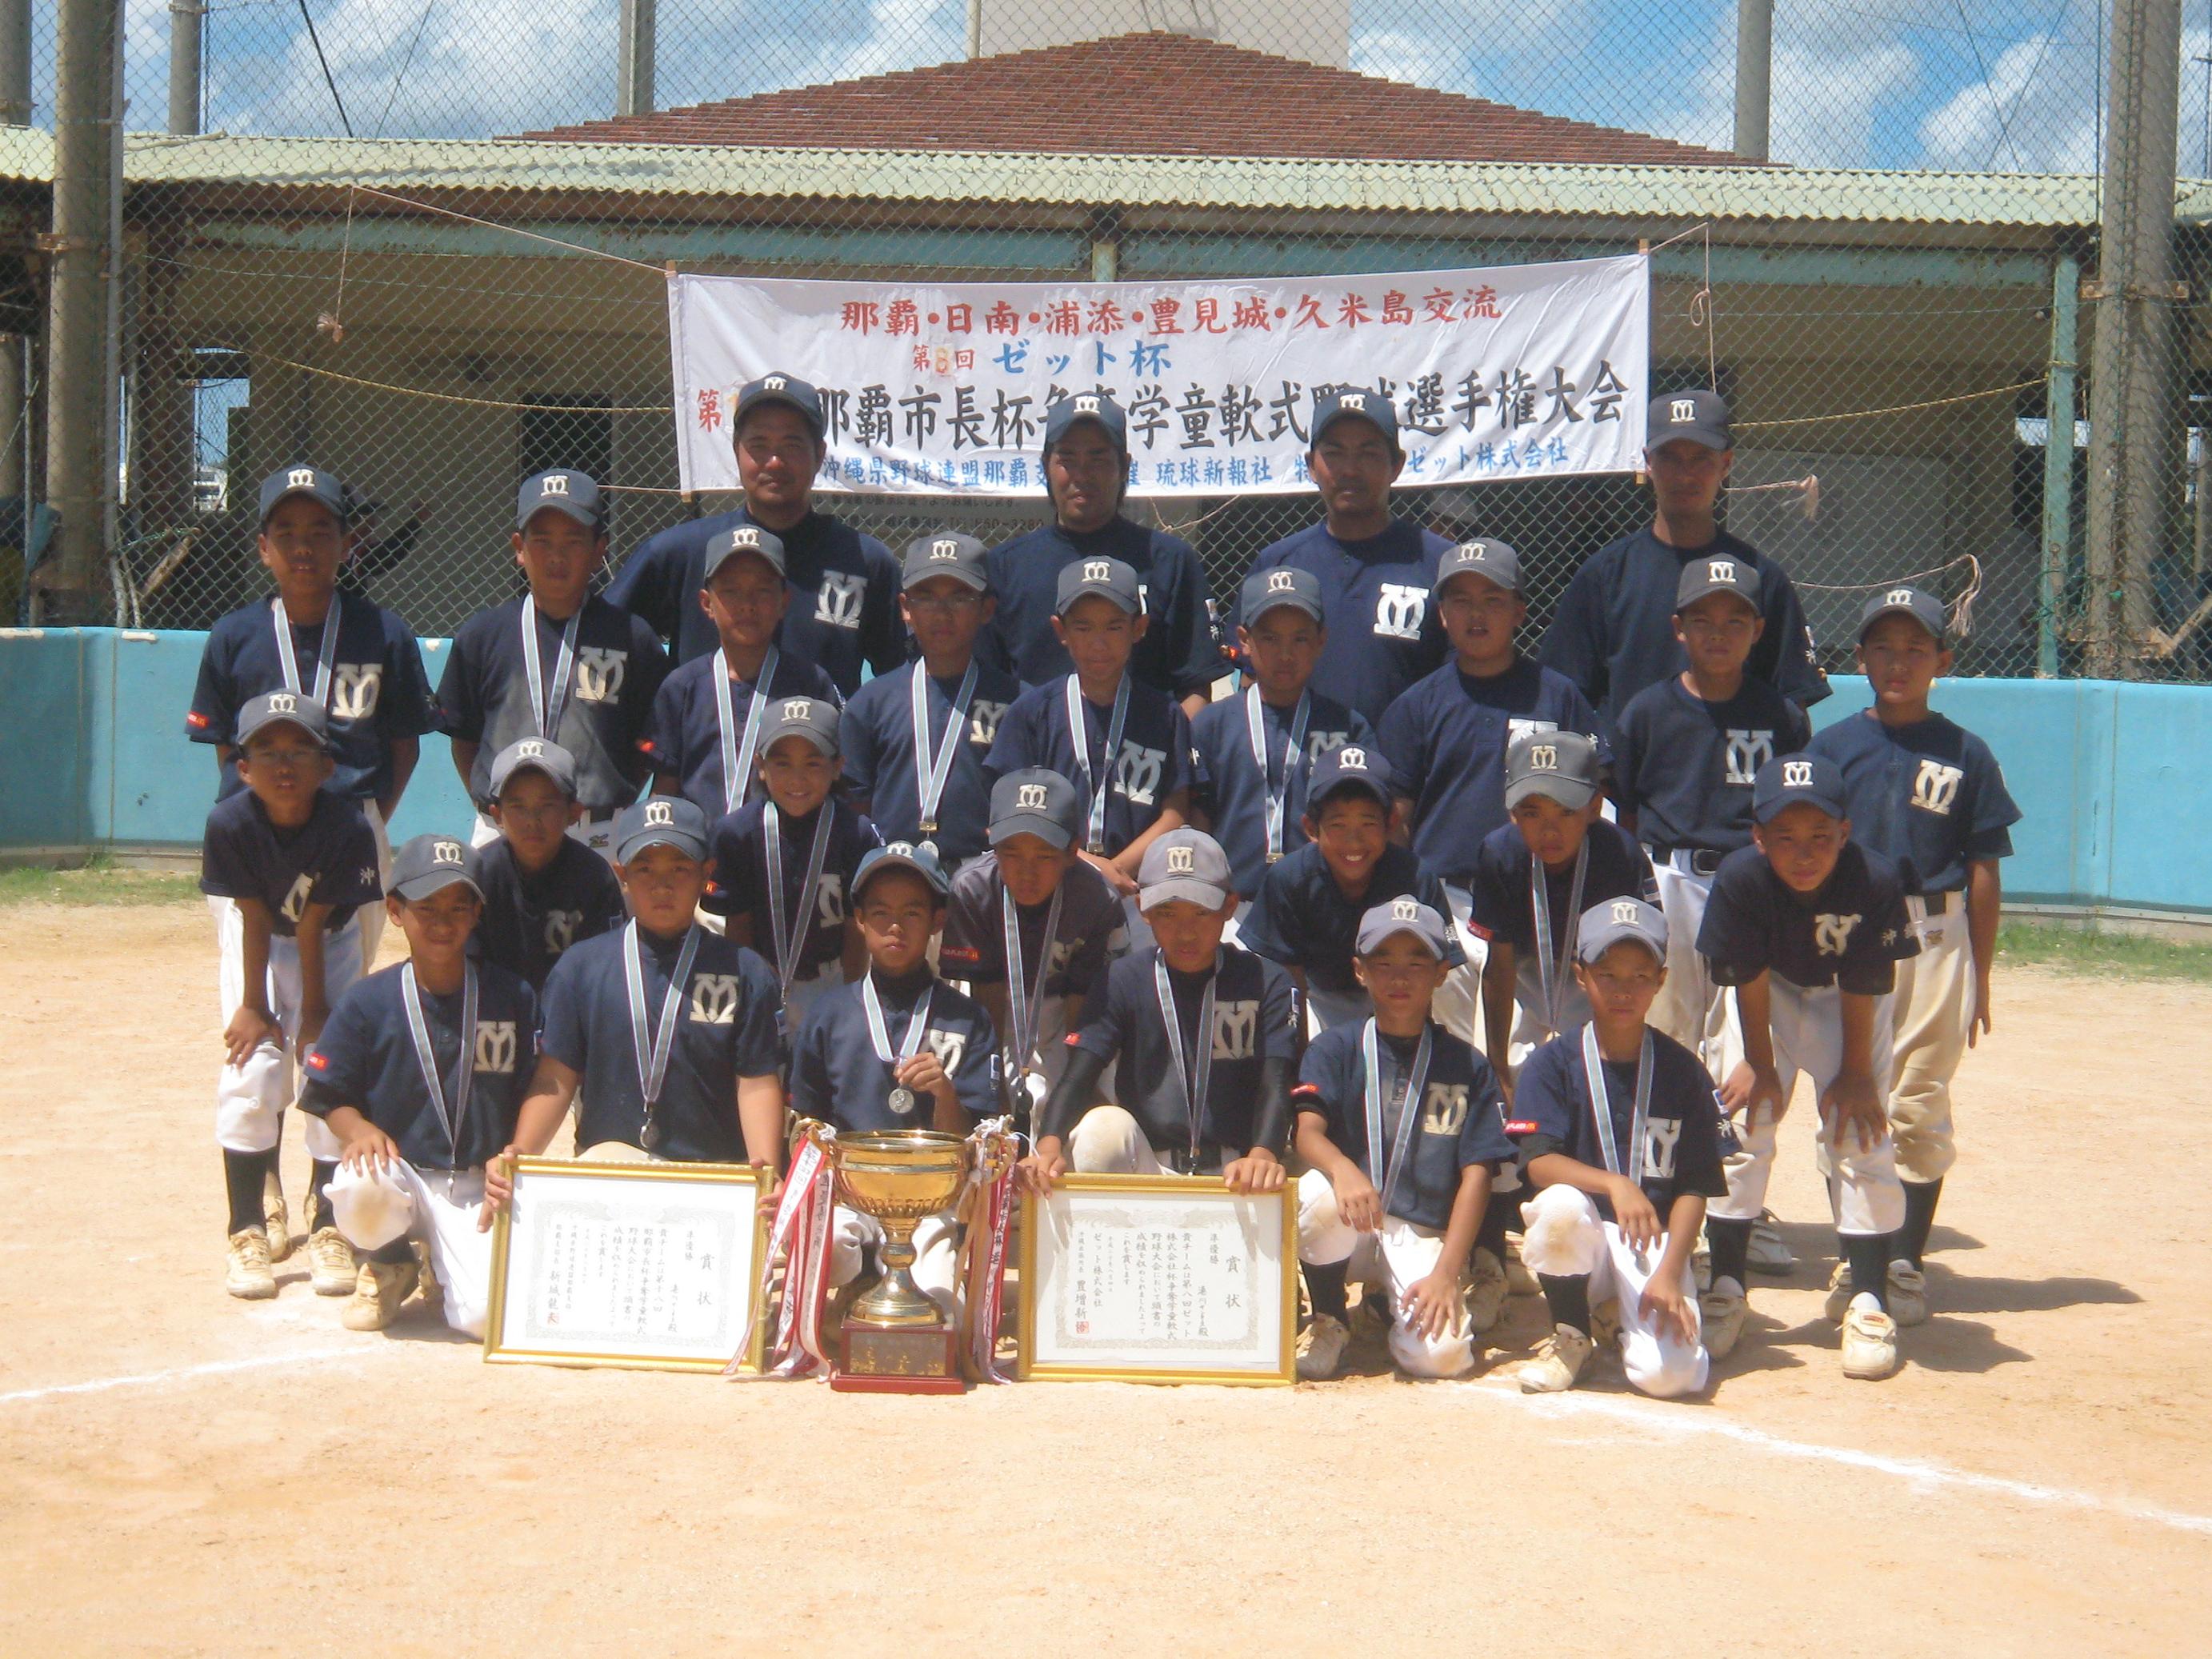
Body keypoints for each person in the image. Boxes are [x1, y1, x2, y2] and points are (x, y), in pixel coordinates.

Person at [1807, 586, 2021, 1312]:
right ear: (1860, 657)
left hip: (1934, 936)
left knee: (1918, 1101)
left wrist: (1979, 977)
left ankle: (1903, 1260)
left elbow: (1983, 868)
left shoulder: (1965, 752)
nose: (1898, 663)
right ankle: (1853, 1255)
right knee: (1844, 1099)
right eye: (1883, 648)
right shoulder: (1831, 749)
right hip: (1849, 934)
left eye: (1915, 649)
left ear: (1942, 659)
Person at [1697, 754, 1917, 1381]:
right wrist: (1761, 1065)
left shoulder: (1872, 879)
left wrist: (1853, 1074)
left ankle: (1868, 1299)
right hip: (1765, 996)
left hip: (1847, 1004)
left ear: (1844, 833)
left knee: (1860, 1130)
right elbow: (1745, 975)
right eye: (1784, 838)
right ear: (1757, 837)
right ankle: (1727, 1287)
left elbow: (1866, 979)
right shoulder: (1741, 879)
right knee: (1742, 1128)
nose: (1803, 853)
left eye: (1820, 836)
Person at [188, 465, 433, 967]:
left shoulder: (384, 633)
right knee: (254, 976)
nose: (303, 548)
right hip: (259, 824)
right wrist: (261, 805)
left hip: (352, 816)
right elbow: (227, 744)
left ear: (347, 544)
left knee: (344, 982)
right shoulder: (234, 636)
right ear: (263, 547)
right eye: (286, 534)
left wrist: (369, 820)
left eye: (321, 533)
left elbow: (404, 743)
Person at [483, 798, 786, 1200]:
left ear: (706, 874)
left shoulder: (745, 971)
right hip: (612, 1170)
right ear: (622, 875)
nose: (663, 885)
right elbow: (555, 1078)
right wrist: (519, 1156)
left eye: (680, 869)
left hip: (713, 1178)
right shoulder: (581, 968)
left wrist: (766, 1176)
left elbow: (755, 1083)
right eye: (645, 869)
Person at [298, 833, 539, 1335]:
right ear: (394, 910)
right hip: (399, 1174)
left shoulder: (510, 995)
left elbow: (534, 1088)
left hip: (477, 1183)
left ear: (477, 913)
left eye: (458, 907)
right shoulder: (368, 1000)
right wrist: (357, 1128)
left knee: (482, 1318)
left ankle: (441, 1267)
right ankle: (389, 1260)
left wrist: (515, 1149)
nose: (443, 922)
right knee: (359, 1181)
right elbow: (326, 1093)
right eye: (426, 908)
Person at [1378, 538, 1604, 1045]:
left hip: (1540, 901)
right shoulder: (1418, 704)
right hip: (1450, 899)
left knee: (1536, 1054)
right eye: (1460, 600)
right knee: (1452, 1049)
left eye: (1493, 600)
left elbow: (1593, 797)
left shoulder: (1557, 694)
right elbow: (1397, 818)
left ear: (1520, 610)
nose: (1475, 614)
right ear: (1441, 614)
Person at [198, 692, 381, 1301]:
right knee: (251, 1070)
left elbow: (314, 922)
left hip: (328, 942)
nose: (284, 765)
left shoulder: (347, 823)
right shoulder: (229, 821)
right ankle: (246, 1227)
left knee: (328, 1067)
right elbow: (253, 917)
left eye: (300, 750)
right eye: (266, 752)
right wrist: (254, 1006)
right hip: (258, 943)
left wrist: (318, 1013)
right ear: (241, 767)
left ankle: (328, 1223)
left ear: (327, 767)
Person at [1508, 897, 1727, 1398]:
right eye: (1608, 974)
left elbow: (1697, 1183)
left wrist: (1672, 1272)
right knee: (1559, 1206)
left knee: (1672, 1379)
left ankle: (1619, 1319)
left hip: (1651, 1243)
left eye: (1640, 976)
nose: (1624, 991)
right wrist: (1615, 1182)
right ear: (1582, 976)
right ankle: (1571, 1332)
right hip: (1583, 1232)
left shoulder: (1682, 1070)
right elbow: (1539, 1163)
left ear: (1662, 979)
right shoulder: (1552, 1062)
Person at [1291, 897, 1514, 1381]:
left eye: (1416, 963)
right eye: (1383, 963)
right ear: (1359, 971)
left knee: (1442, 1358)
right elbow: (1307, 1132)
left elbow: (1478, 1173)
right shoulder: (1335, 1046)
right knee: (1315, 1197)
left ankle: (1385, 1311)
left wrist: (1446, 1272)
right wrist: (1344, 1168)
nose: (1399, 977)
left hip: (1419, 1230)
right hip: (1350, 1218)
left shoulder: (1467, 1064)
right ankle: (1330, 1317)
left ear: (1440, 974)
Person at [1610, 556, 1810, 1086]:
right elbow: (1626, 808)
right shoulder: (1647, 712)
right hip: (1667, 879)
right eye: (1702, 620)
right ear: (1678, 628)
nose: (1718, 634)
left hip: (1749, 881)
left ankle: (1736, 1157)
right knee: (1663, 1024)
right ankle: (1659, 1157)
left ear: (1758, 631)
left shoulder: (1781, 718)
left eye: (1735, 622)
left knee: (1743, 1037)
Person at [1540, 390, 1828, 737]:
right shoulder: (1605, 575)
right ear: (1647, 462)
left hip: (1734, 781)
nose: (1685, 474)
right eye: (1670, 457)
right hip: (1629, 780)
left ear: (1726, 464)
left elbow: (1791, 707)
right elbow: (1565, 695)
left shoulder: (1761, 577)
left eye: (1701, 458)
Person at [788, 842, 1002, 1309]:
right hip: (849, 1198)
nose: (896, 926)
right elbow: (808, 1124)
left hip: (931, 1206)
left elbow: (977, 1148)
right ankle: (860, 1274)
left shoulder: (967, 1019)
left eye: (912, 912)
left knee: (944, 1315)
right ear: (859, 920)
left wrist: (944, 1092)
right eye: (881, 912)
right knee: (817, 1248)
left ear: (937, 921)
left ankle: (874, 1284)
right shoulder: (829, 1014)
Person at [1021, 830, 1296, 1189]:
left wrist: (1264, 1154)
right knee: (1101, 1129)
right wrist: (1049, 1145)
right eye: (1167, 913)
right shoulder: (1123, 977)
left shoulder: (1267, 980)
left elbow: (1276, 1081)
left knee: (1326, 1209)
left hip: (1240, 1174)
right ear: (1143, 911)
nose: (1185, 932)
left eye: (1200, 912)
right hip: (1149, 1170)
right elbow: (1079, 1074)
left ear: (1230, 906)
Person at [606, 372, 906, 694]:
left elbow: (903, 676)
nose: (775, 462)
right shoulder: (679, 553)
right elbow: (603, 635)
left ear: (819, 455)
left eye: (791, 446)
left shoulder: (864, 562)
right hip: (709, 743)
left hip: (818, 744)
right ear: (737, 451)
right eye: (759, 446)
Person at [437, 470, 668, 858]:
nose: (557, 556)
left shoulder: (632, 638)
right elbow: (466, 738)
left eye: (574, 541)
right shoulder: (483, 634)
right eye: (542, 541)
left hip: (597, 834)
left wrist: (614, 804)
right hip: (502, 831)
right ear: (519, 548)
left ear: (600, 550)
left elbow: (650, 744)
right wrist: (501, 806)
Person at [981, 392, 1220, 716]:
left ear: (1125, 467)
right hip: (1036, 759)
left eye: (1098, 458)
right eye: (1067, 459)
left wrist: (1168, 755)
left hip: (1143, 758)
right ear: (1045, 467)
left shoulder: (1169, 561)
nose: (1082, 475)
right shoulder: (1006, 566)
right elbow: (988, 686)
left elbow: (1195, 687)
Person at [1232, 389, 1452, 726]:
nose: (1350, 470)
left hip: (1404, 771)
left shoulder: (1439, 564)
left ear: (1397, 465)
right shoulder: (1277, 564)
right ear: (1311, 466)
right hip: (1297, 771)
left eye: (1368, 453)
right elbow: (1249, 679)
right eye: (1334, 453)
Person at [984, 556, 1193, 899]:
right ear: (1060, 630)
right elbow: (1005, 813)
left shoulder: (1164, 713)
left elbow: (1175, 812)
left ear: (1138, 628)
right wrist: (1092, 868)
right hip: (1051, 883)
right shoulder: (1032, 712)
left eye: (1114, 627)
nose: (1099, 643)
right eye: (1083, 627)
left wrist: (1118, 871)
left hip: (1136, 887)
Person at [1469, 730, 1658, 1088]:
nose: (1549, 830)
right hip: (1523, 970)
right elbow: (1500, 963)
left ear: (1594, 807)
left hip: (1596, 974)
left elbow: (1632, 962)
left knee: (1598, 1075)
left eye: (1567, 811)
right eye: (1532, 812)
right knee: (1508, 1078)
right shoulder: (1500, 854)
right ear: (1512, 814)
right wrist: (1498, 1069)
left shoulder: (1620, 854)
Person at [938, 769, 1126, 1117]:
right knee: (987, 1106)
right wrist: (995, 1086)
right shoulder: (972, 889)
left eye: (1044, 856)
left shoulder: (1097, 898)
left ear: (1072, 851)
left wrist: (1077, 1085)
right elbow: (986, 995)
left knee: (1086, 1115)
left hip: (1065, 1014)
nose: (1027, 872)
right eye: (1012, 853)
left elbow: (1082, 1006)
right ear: (992, 843)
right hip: (994, 1011)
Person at [1238, 746, 1458, 1033]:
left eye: (1368, 823)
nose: (1354, 841)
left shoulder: (1415, 876)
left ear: (1390, 822)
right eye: (1338, 825)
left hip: (1396, 995)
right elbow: (1288, 985)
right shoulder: (1289, 879)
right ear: (1311, 829)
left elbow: (1432, 971)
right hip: (1315, 1000)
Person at [1190, 565, 1375, 902]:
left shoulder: (1348, 727)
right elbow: (1197, 817)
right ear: (1244, 640)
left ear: (1321, 641)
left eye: (1300, 639)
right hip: (1229, 904)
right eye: (1270, 638)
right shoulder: (1212, 725)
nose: (1285, 654)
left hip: (1321, 903)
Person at [840, 533, 1020, 868]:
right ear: (906, 608)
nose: (942, 613)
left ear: (987, 608)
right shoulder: (871, 702)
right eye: (926, 597)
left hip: (987, 876)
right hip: (892, 876)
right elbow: (856, 805)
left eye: (960, 598)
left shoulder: (1017, 702)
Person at [638, 524, 841, 822]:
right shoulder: (682, 687)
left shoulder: (810, 682)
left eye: (762, 590)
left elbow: (834, 780)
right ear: (707, 603)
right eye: (731, 591)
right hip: (702, 855)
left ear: (783, 602)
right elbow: (666, 786)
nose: (747, 605)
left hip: (785, 852)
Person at [704, 697, 879, 1030]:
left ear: (838, 765)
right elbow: (737, 923)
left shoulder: (855, 833)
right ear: (760, 764)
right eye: (782, 764)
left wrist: (851, 993)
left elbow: (856, 926)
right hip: (759, 976)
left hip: (831, 980)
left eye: (813, 764)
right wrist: (750, 984)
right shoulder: (735, 833)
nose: (797, 779)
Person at [465, 738, 626, 994]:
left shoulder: (594, 876)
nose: (532, 821)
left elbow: (607, 968)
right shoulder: (479, 875)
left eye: (547, 806)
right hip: (495, 1014)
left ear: (574, 813)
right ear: (497, 815)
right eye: (518, 807)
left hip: (571, 1010)